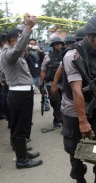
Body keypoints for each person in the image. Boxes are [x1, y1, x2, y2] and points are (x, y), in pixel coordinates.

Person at [61, 15, 96, 183]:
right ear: (89, 34)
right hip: (74, 109)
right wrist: (82, 121)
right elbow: (77, 91)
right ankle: (79, 178)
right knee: (74, 149)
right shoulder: (72, 56)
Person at [1, 14, 42, 169]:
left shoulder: (13, 54)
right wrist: (28, 28)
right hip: (18, 95)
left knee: (23, 125)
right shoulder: (8, 54)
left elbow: (21, 50)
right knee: (19, 126)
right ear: (13, 41)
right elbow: (19, 48)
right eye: (20, 38)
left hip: (22, 94)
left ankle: (23, 153)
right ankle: (22, 160)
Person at [40, 36, 64, 128]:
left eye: (60, 44)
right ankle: (57, 120)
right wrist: (41, 84)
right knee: (56, 103)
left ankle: (61, 120)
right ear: (53, 45)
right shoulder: (48, 57)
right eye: (56, 44)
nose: (59, 46)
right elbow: (43, 70)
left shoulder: (65, 55)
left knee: (64, 103)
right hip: (51, 83)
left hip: (63, 84)